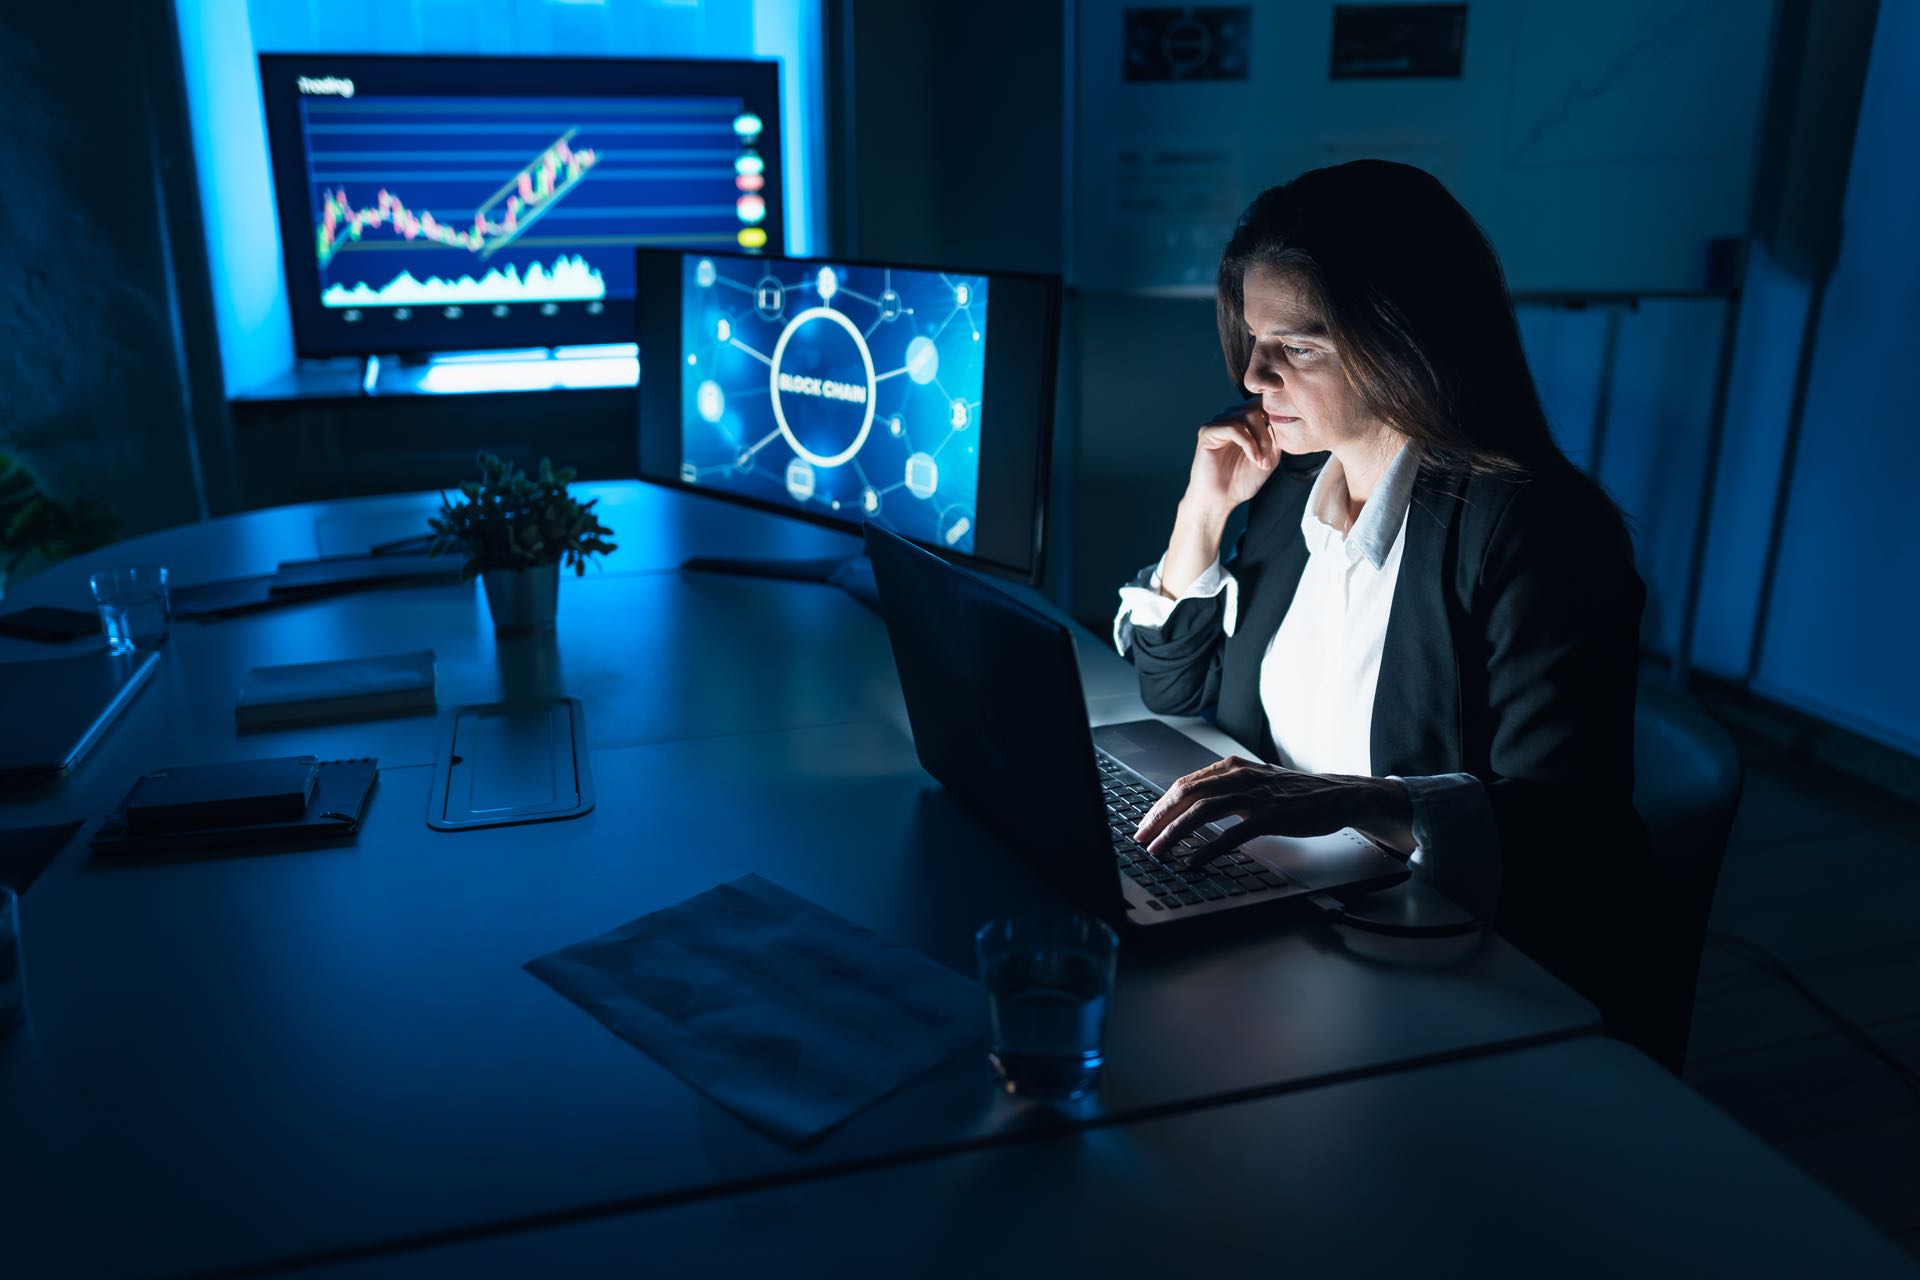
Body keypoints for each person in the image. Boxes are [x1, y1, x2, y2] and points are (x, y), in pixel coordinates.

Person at [1114, 160, 1649, 1034]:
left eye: (1298, 346)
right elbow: (1173, 690)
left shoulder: (1538, 533)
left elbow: (1577, 836)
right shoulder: (1292, 490)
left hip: (1428, 963)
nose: (1253, 376)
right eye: (1253, 340)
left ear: (1404, 340)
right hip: (1290, 916)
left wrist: (1361, 802)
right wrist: (1200, 512)